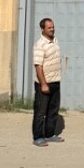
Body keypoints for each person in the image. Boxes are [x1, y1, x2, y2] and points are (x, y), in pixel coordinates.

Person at [32, 17, 63, 146]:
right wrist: (43, 84)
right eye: (49, 27)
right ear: (42, 29)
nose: (52, 29)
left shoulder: (54, 41)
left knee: (53, 110)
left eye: (53, 27)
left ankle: (49, 134)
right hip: (44, 83)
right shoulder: (40, 45)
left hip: (55, 81)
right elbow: (38, 66)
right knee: (41, 112)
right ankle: (38, 137)